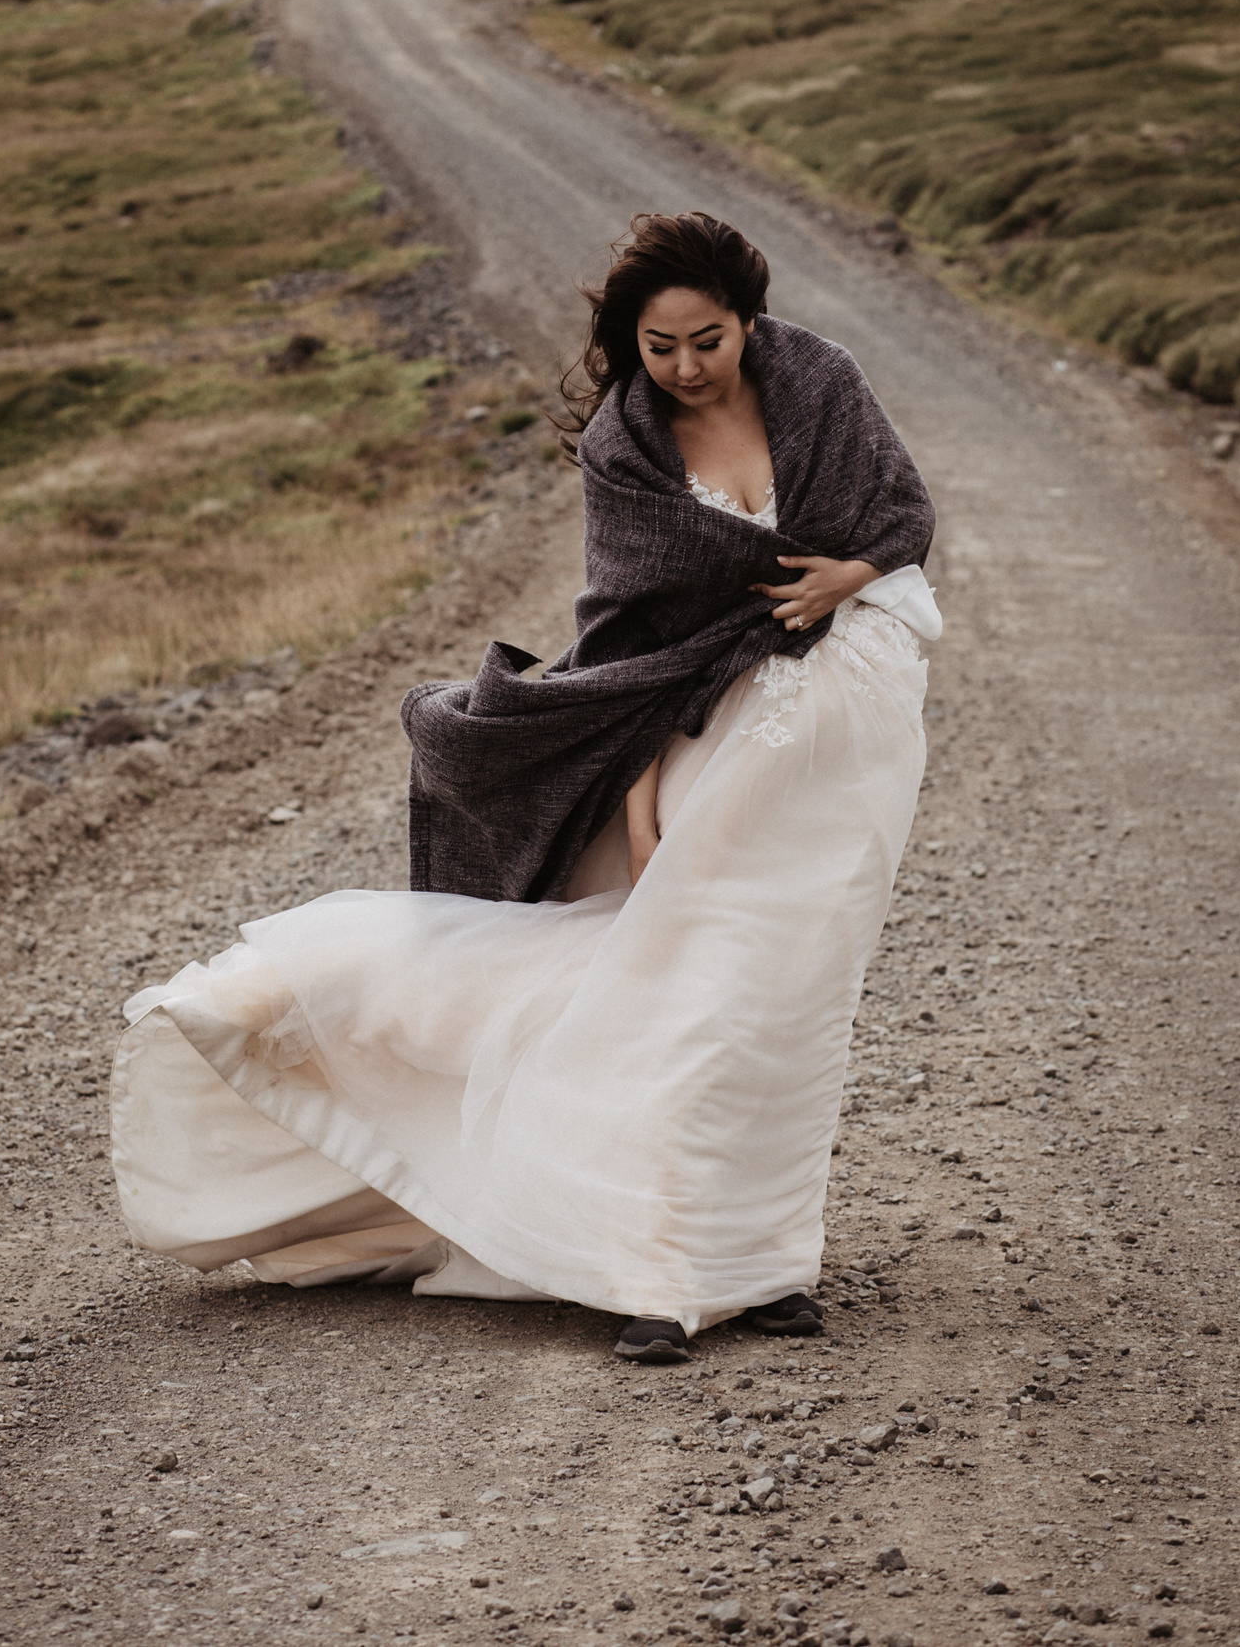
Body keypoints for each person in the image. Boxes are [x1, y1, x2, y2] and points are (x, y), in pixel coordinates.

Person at [110, 212, 938, 1363]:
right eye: (662, 346)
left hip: (856, 742)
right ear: (626, 341)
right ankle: (658, 1271)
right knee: (692, 989)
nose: (689, 366)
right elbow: (631, 643)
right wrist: (641, 805)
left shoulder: (817, 380)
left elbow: (902, 517)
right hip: (719, 731)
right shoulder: (627, 447)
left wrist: (845, 571)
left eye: (710, 338)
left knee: (794, 1001)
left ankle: (761, 1265)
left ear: (749, 320)